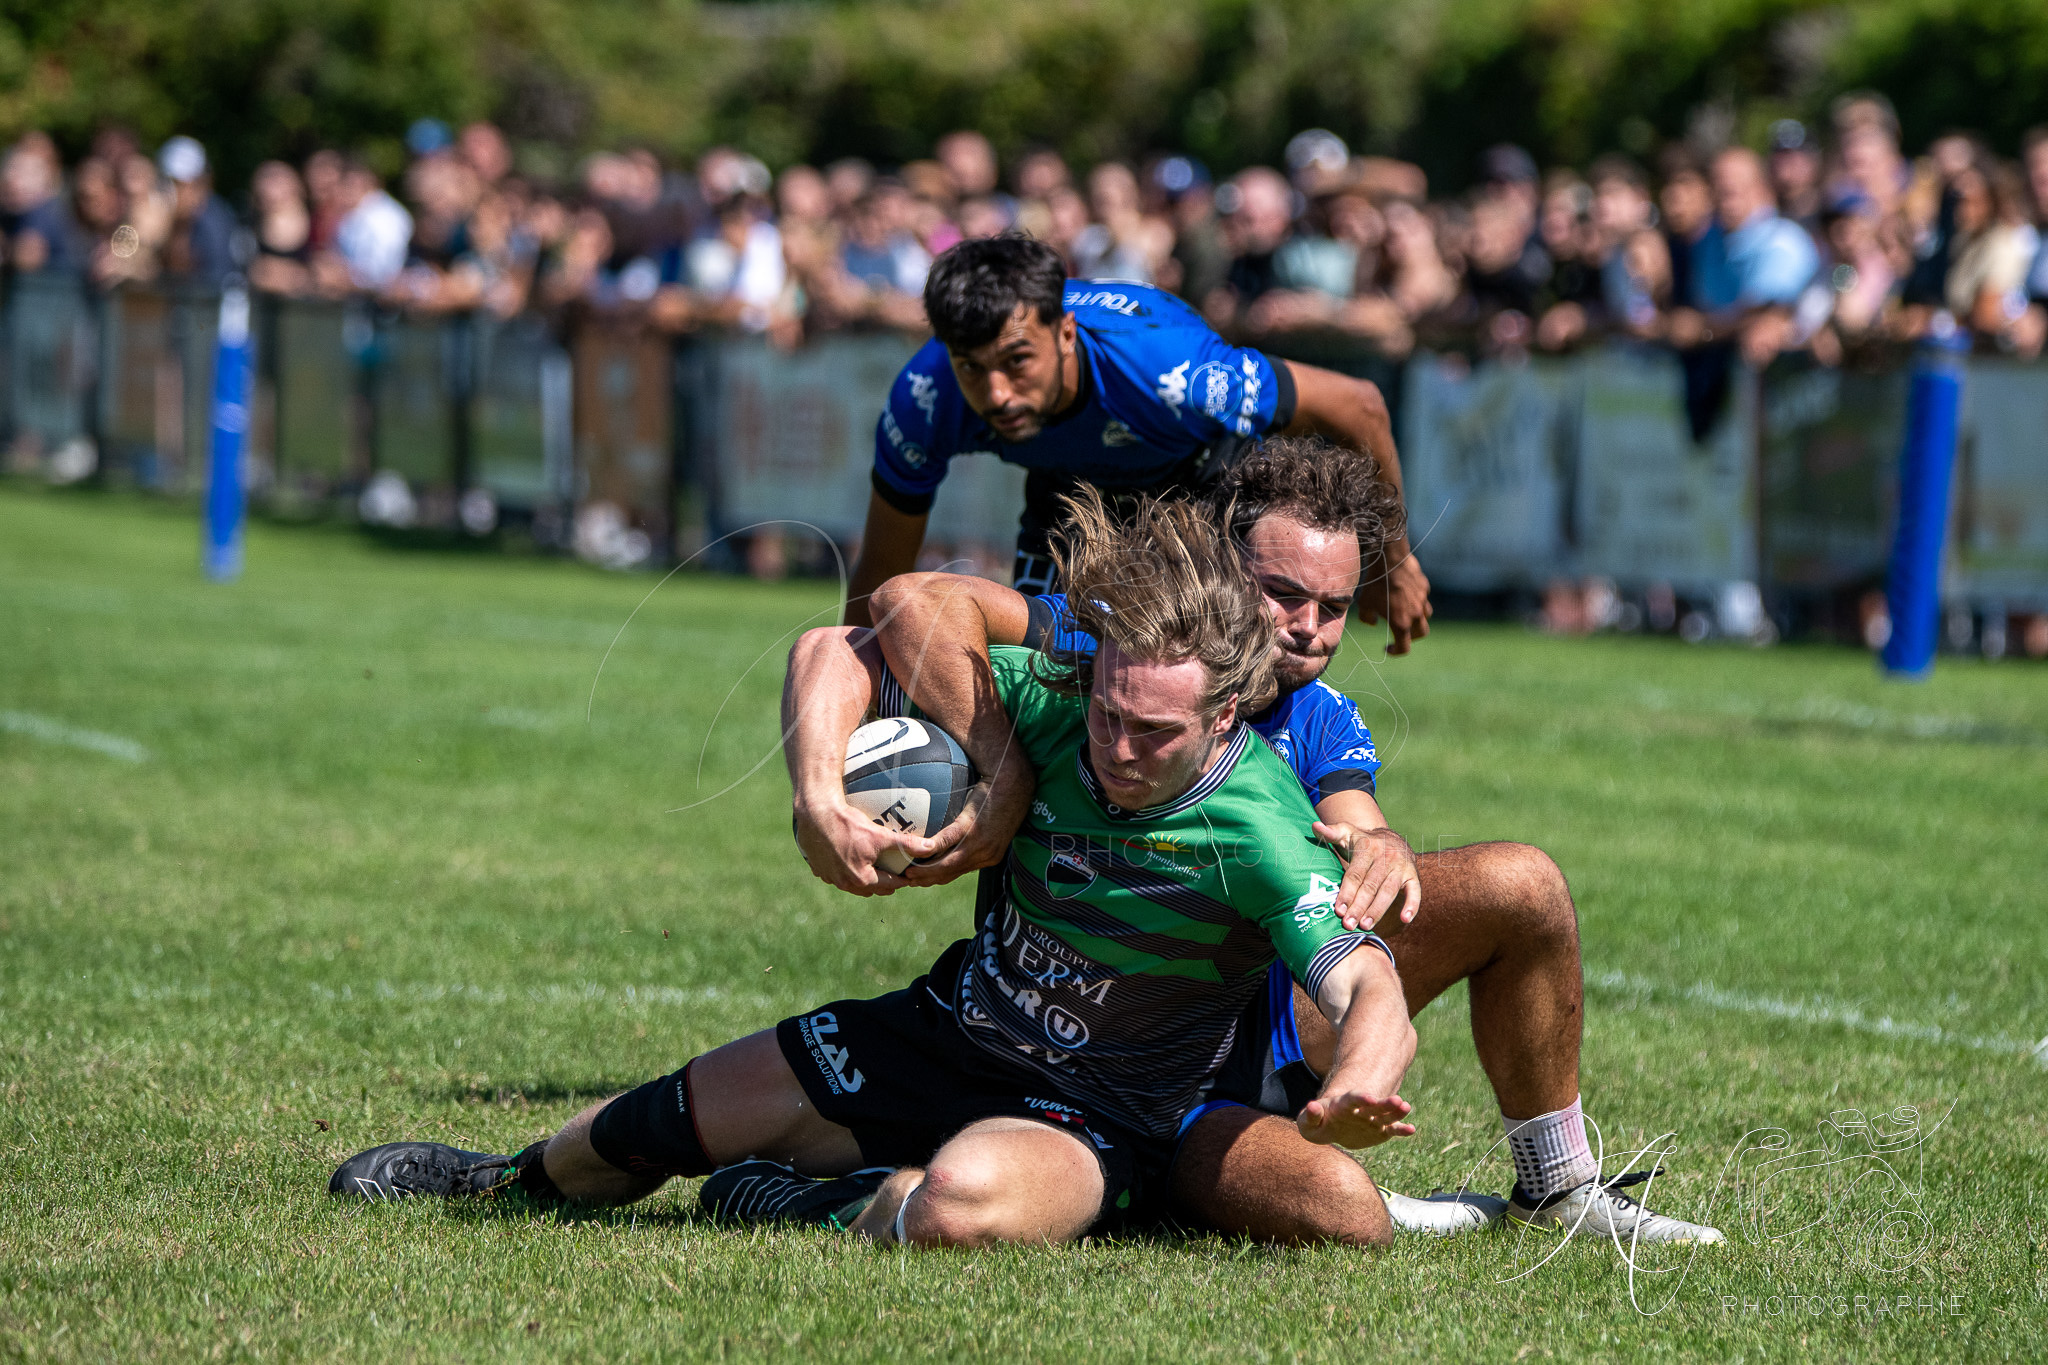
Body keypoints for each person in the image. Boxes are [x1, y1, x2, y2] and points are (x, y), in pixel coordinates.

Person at [329, 493, 1419, 1249]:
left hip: (1089, 1112)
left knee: (956, 1210)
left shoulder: (1258, 826)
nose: (1116, 751)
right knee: (636, 1135)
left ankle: (792, 1200)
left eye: (1152, 734)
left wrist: (1360, 1080)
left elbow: (1364, 983)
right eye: (1108, 714)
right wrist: (819, 800)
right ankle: (502, 1178)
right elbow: (835, 648)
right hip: (938, 1031)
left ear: (1224, 714)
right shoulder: (1054, 700)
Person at [857, 438, 1724, 1245]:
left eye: (1336, 607)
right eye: (1282, 593)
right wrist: (1000, 780)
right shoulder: (1112, 649)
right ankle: (1115, 1173)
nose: (1308, 625)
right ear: (1218, 569)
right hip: (1072, 1040)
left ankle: (1558, 1188)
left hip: (1253, 1033)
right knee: (1334, 1209)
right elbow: (920, 604)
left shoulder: (1321, 715)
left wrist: (1378, 843)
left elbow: (1350, 816)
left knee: (1521, 884)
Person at [841, 233, 1432, 656]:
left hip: (1200, 474)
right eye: (972, 368)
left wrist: (1395, 559)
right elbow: (880, 570)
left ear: (1065, 334)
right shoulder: (926, 395)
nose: (996, 394)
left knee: (1207, 665)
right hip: (1069, 485)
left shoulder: (1172, 373)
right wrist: (861, 699)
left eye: (1017, 361)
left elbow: (1359, 405)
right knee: (1039, 667)